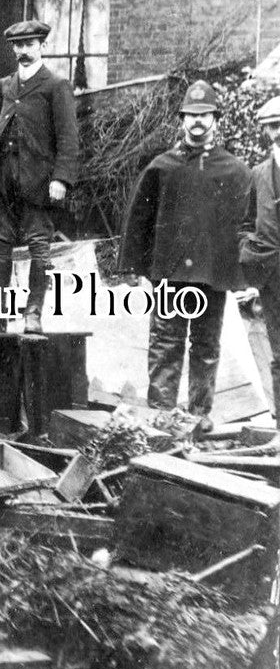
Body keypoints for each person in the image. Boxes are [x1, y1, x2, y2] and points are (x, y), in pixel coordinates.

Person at [120, 80, 251, 419]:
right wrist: (135, 267)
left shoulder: (236, 171)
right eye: (191, 115)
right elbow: (139, 220)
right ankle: (161, 418)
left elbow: (247, 226)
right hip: (170, 274)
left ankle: (197, 417)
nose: (197, 121)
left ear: (216, 119)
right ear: (181, 119)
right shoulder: (162, 168)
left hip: (213, 275)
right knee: (165, 343)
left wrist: (246, 273)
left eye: (204, 115)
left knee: (206, 347)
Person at [0, 20, 80, 334]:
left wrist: (61, 178)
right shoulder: (6, 85)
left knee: (39, 247)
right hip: (3, 176)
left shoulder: (55, 85)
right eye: (18, 46)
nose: (23, 51)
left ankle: (33, 314)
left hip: (38, 179)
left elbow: (69, 139)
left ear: (42, 46)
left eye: (29, 44)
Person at [239, 95, 280, 407]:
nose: (278, 132)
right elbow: (245, 224)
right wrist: (250, 260)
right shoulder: (258, 175)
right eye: (272, 127)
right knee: (278, 353)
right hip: (272, 276)